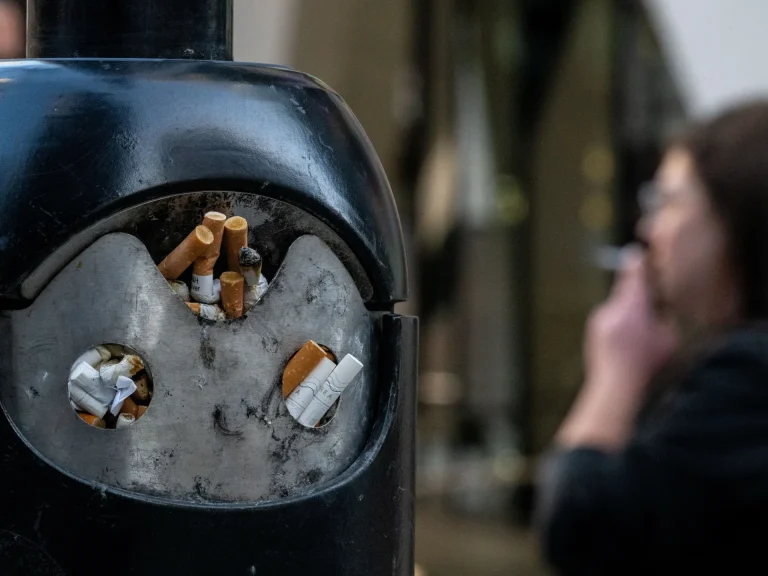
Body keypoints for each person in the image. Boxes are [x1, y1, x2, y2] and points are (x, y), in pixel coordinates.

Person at [537, 100, 768, 574]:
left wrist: (615, 372)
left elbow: (580, 528)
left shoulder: (749, 376)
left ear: (733, 214)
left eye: (667, 202)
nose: (648, 230)